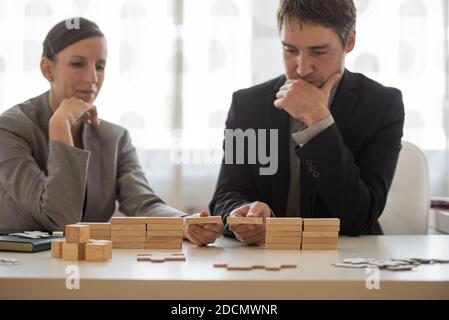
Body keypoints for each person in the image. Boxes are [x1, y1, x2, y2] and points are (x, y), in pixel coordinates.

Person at [0, 17, 222, 246]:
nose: (92, 78)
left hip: (90, 266)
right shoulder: (9, 129)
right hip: (22, 269)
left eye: (100, 66)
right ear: (47, 69)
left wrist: (184, 222)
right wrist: (60, 127)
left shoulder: (114, 138)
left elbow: (143, 202)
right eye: (78, 64)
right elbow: (60, 220)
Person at [209, 0, 405, 245]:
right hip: (265, 259)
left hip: (346, 262)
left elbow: (360, 216)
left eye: (318, 52)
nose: (302, 69)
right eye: (290, 50)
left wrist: (319, 122)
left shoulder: (382, 105)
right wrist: (243, 213)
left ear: (350, 41)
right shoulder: (248, 105)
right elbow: (225, 197)